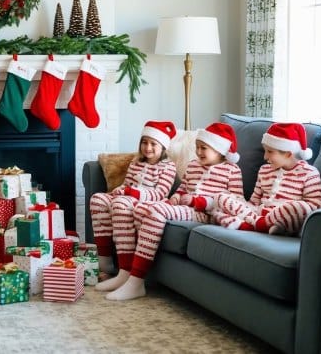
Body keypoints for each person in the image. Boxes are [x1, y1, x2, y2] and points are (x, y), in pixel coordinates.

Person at [103, 122, 244, 301]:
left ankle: (136, 281)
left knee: (155, 211)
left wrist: (201, 202)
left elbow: (236, 202)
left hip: (206, 213)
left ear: (220, 150)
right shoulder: (193, 166)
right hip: (185, 207)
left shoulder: (232, 171)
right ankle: (129, 272)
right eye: (197, 147)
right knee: (140, 209)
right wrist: (176, 197)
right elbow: (183, 188)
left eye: (204, 148)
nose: (199, 152)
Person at [90, 120, 177, 287]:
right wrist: (120, 189)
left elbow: (160, 194)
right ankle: (105, 261)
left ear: (163, 147)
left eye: (153, 144)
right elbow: (127, 184)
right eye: (144, 142)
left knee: (121, 203)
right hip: (127, 196)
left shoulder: (168, 167)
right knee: (98, 199)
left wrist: (129, 193)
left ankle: (126, 269)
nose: (148, 147)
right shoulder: (136, 162)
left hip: (146, 201)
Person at [214, 122, 321, 235]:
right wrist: (243, 208)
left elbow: (315, 207)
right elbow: (254, 202)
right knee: (219, 199)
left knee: (301, 207)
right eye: (265, 150)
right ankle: (258, 225)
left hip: (284, 218)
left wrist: (282, 212)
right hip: (258, 214)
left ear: (288, 154)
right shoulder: (264, 170)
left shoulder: (309, 173)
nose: (265, 156)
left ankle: (253, 224)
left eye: (270, 152)